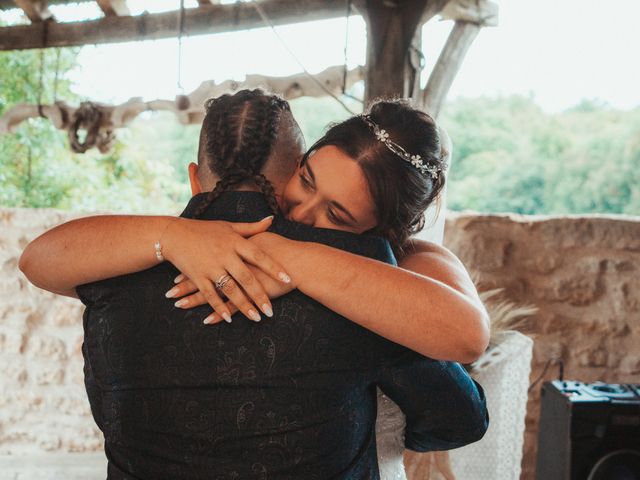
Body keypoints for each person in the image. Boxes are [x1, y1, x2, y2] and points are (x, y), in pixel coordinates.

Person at [20, 90, 489, 479]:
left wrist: (289, 255)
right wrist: (169, 236)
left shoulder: (111, 271)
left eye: (337, 213)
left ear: (193, 180)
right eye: (305, 182)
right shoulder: (360, 287)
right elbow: (458, 419)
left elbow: (466, 335)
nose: (304, 215)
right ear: (292, 171)